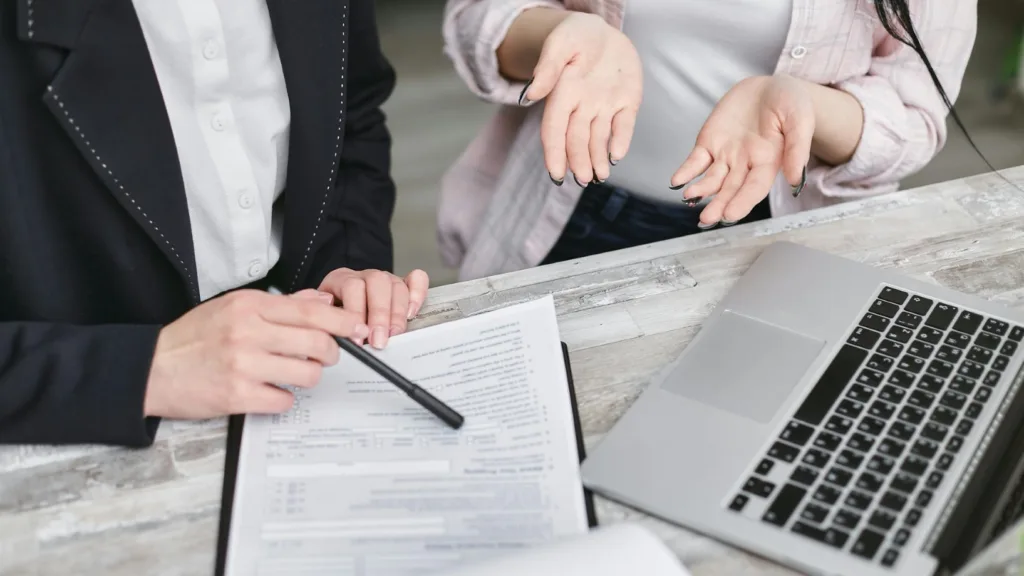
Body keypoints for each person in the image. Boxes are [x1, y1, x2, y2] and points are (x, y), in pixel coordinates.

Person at [0, 0, 428, 447]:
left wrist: (343, 264)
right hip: (83, 443)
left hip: (300, 399)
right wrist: (142, 369)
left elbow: (350, 109)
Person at [438, 0, 977, 279]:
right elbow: (478, 17)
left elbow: (915, 118)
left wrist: (804, 106)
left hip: (784, 234)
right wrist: (560, 36)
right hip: (574, 207)